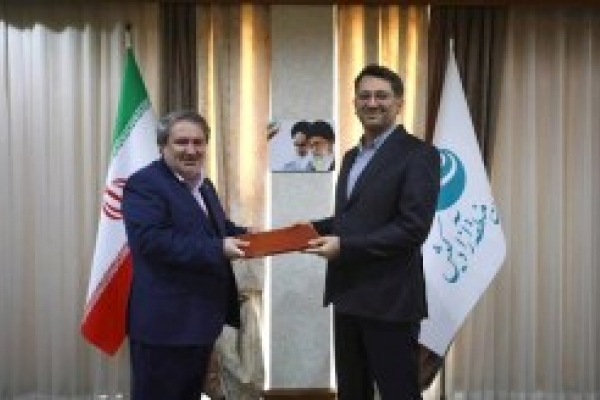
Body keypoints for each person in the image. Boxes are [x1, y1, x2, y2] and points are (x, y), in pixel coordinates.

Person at [305, 65, 440, 400]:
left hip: (390, 300)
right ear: (354, 103)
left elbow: (412, 228)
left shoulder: (419, 154)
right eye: (364, 96)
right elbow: (350, 219)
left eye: (382, 96)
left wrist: (344, 246)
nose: (372, 103)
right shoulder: (351, 157)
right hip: (347, 293)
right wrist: (305, 230)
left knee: (398, 392)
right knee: (352, 391)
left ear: (399, 103)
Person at [122, 110, 251, 400]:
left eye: (198, 142)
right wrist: (219, 248)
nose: (191, 150)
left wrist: (249, 235)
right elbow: (152, 241)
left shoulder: (203, 185)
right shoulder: (144, 184)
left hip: (199, 322)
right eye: (181, 142)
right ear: (162, 145)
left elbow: (214, 229)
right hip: (164, 327)